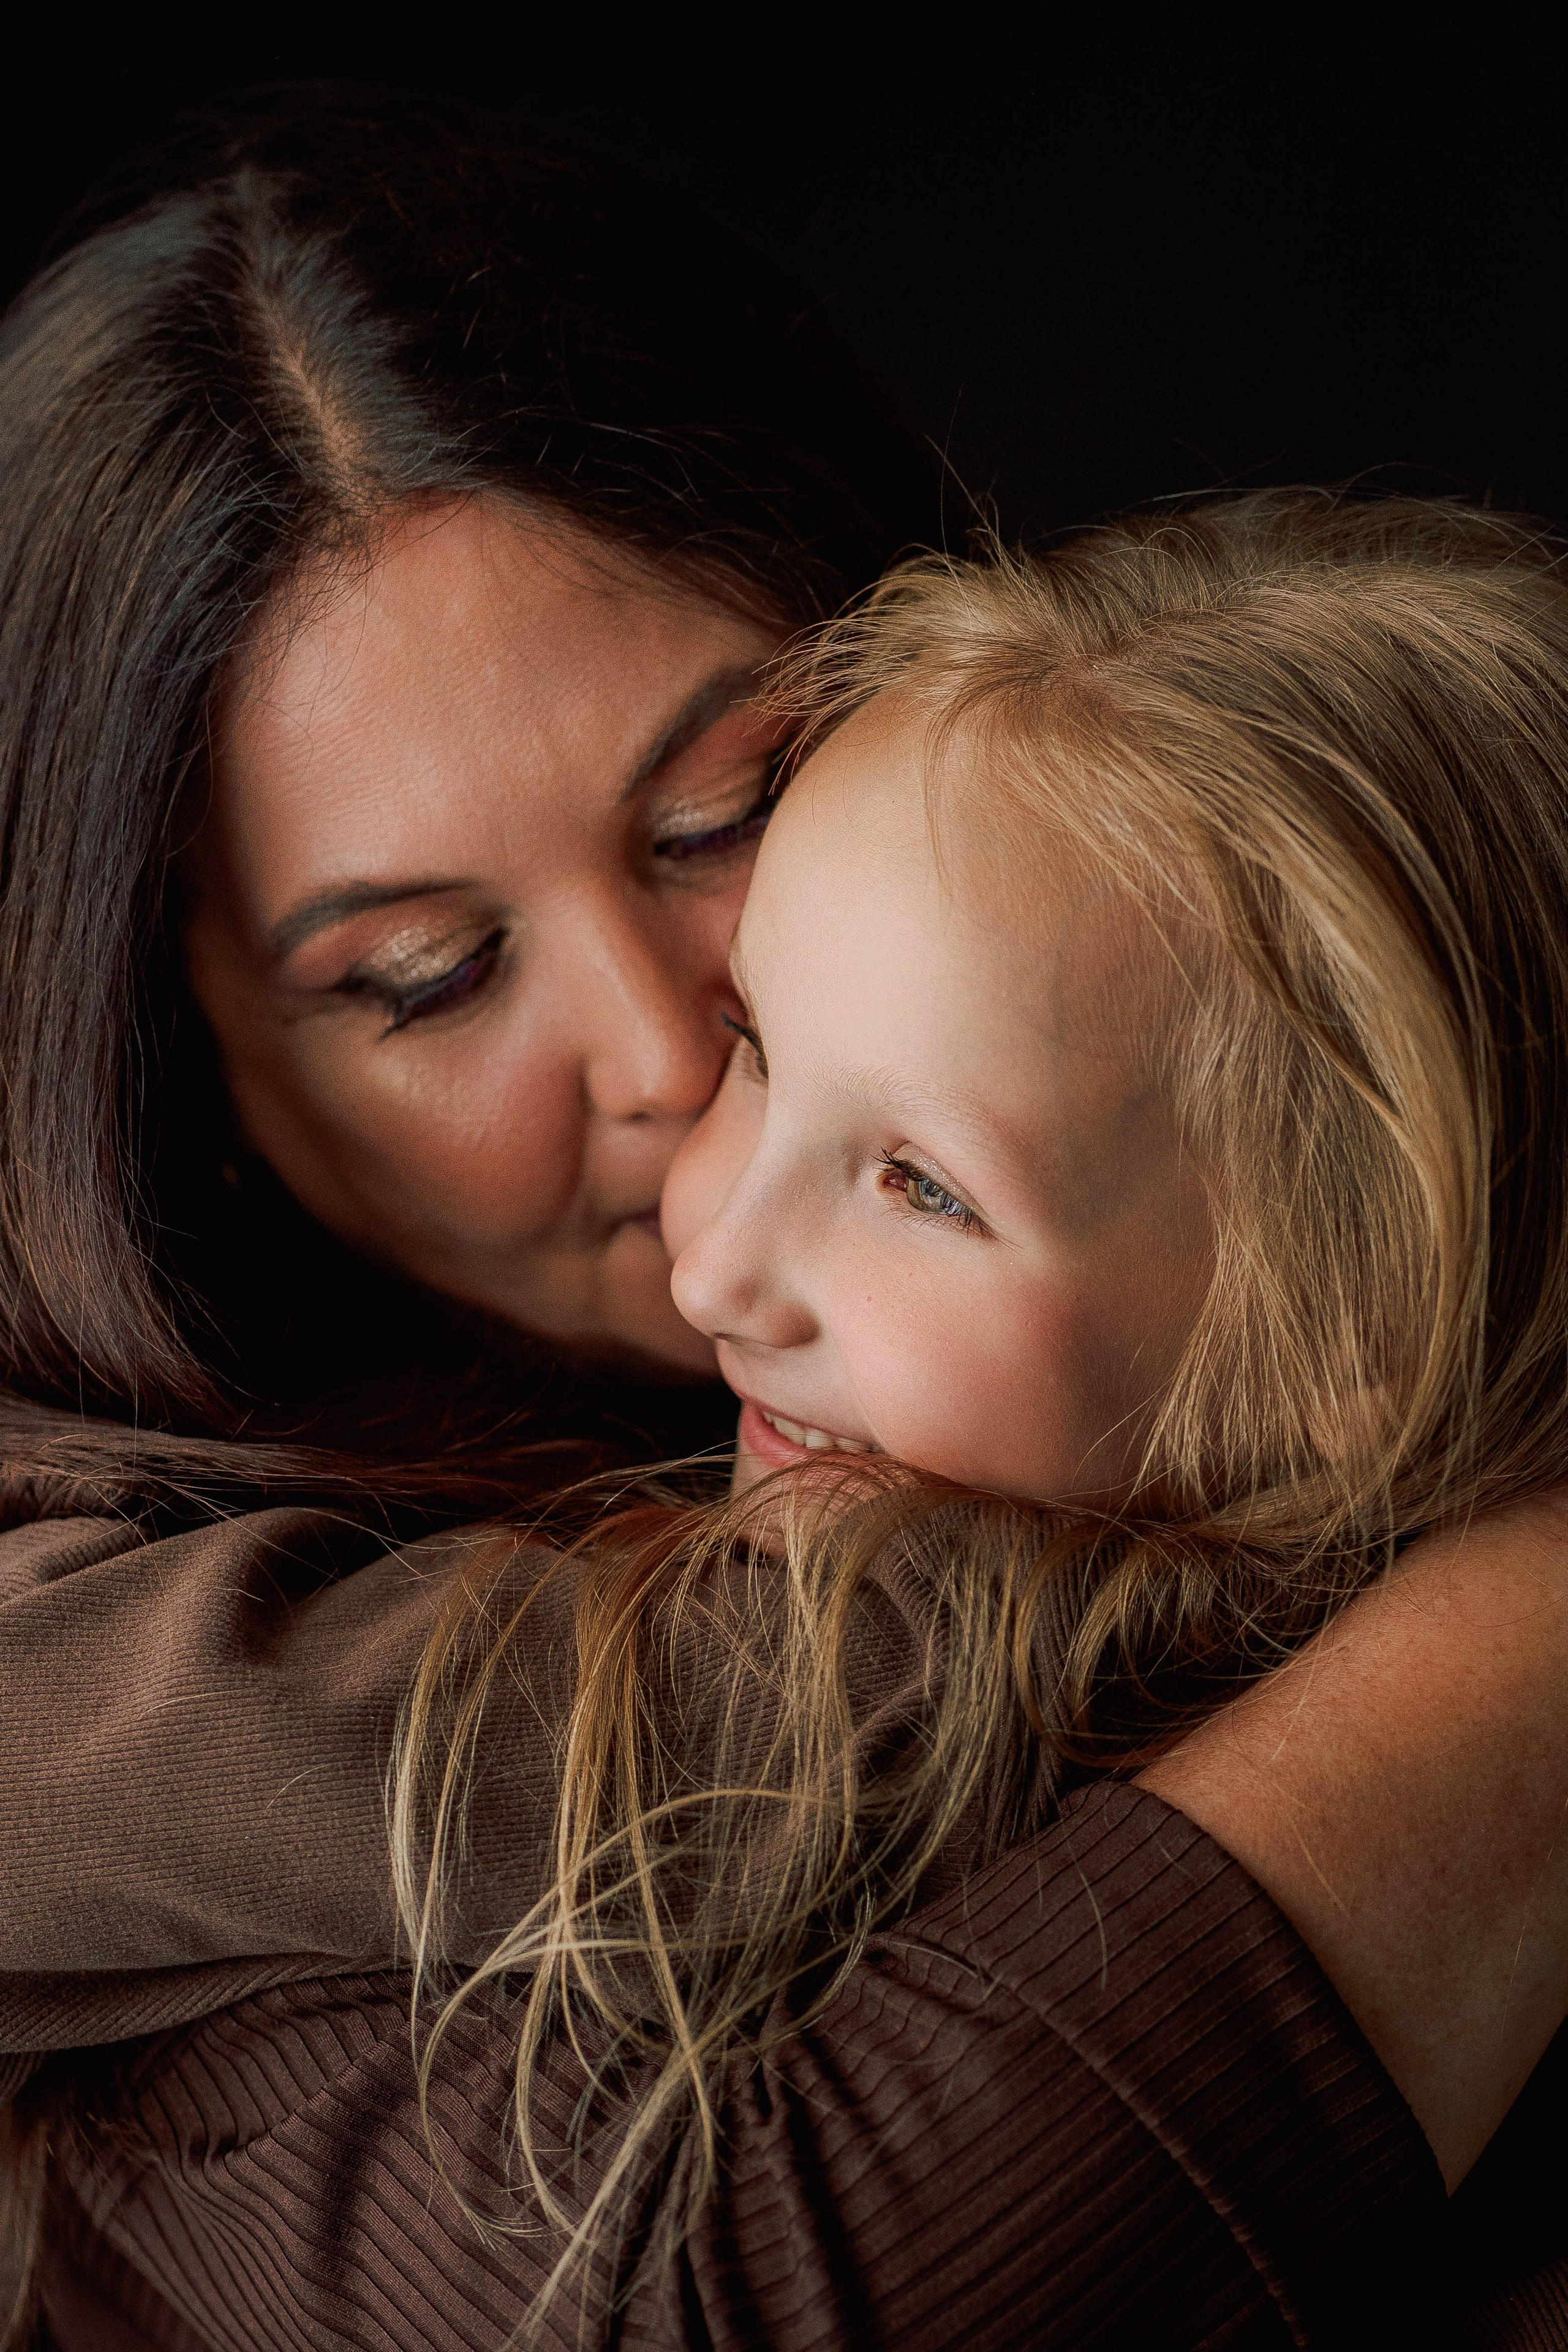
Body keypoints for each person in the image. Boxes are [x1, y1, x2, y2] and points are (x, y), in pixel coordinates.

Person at [0, 89, 1561, 2347]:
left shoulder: (1264, 965)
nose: (669, 1051)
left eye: (724, 813)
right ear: (170, 1062)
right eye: (426, 976)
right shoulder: (98, 1613)